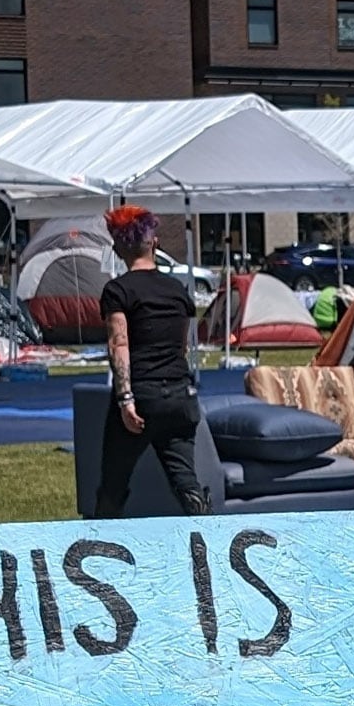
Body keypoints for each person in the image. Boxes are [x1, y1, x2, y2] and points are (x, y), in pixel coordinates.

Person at [93, 204, 211, 517]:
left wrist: (125, 399)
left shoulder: (117, 290)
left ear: (117, 249)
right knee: (185, 478)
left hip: (143, 394)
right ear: (155, 243)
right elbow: (182, 346)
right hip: (180, 395)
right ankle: (204, 529)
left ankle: (102, 535)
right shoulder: (178, 291)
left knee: (114, 481)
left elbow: (119, 343)